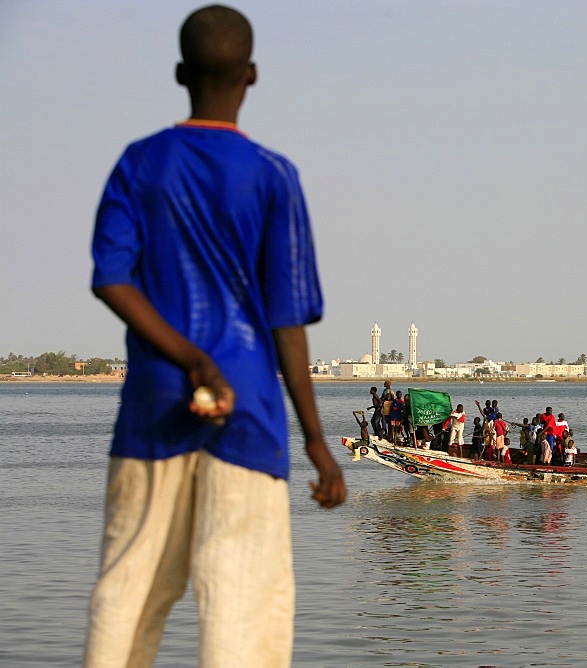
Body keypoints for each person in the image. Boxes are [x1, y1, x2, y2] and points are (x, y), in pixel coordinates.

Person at [84, 7, 347, 666]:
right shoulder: (272, 175)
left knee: (127, 599)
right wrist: (318, 444)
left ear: (180, 74)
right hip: (251, 415)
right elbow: (286, 325)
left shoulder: (140, 164)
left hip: (154, 409)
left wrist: (190, 360)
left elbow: (111, 279)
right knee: (243, 612)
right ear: (251, 75)